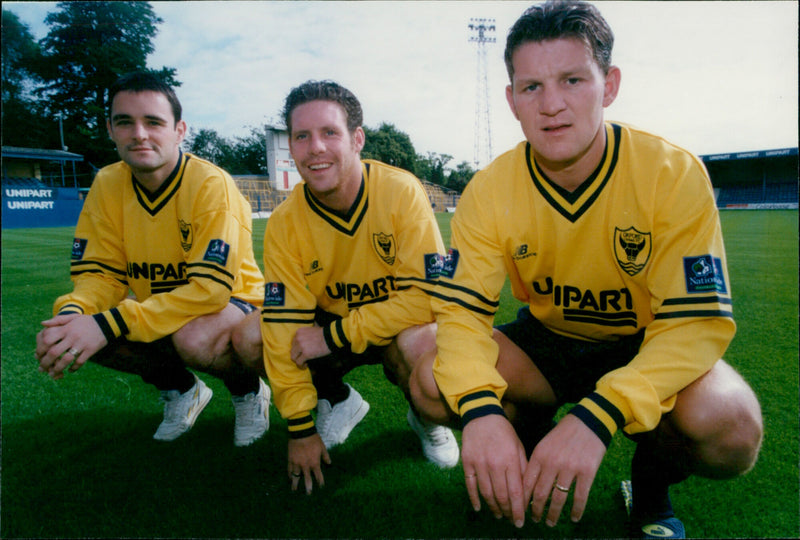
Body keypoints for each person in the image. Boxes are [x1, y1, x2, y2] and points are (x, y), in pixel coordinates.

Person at [408, 1, 763, 537]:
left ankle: (649, 488)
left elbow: (694, 325)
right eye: (531, 87)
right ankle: (523, 451)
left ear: (610, 84)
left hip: (642, 342)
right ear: (511, 100)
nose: (551, 105)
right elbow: (459, 314)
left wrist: (597, 416)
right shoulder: (489, 189)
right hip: (548, 340)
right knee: (432, 383)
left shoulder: (671, 172)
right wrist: (480, 412)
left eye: (572, 79)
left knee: (732, 429)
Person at [233, 80, 459, 494]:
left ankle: (425, 419)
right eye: (302, 136)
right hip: (326, 325)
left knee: (424, 343)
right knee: (251, 336)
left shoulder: (402, 191)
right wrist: (299, 428)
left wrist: (335, 336)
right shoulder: (286, 221)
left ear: (357, 139)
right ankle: (336, 399)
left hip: (390, 325)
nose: (315, 147)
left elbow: (428, 297)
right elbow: (284, 322)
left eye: (329, 132)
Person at [35, 71, 270, 447]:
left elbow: (209, 291)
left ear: (179, 130)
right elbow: (99, 273)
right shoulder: (107, 183)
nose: (139, 134)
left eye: (154, 122)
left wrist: (111, 321)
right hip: (158, 307)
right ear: (110, 129)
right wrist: (72, 315)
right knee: (75, 327)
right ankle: (182, 390)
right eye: (125, 122)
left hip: (231, 304)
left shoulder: (211, 184)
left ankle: (248, 393)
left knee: (194, 336)